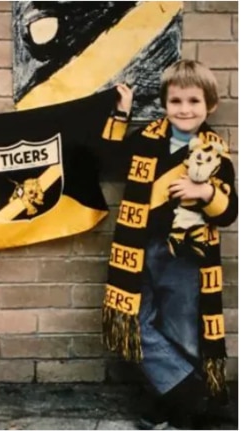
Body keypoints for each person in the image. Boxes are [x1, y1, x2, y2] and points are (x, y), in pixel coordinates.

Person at [101, 60, 238, 429]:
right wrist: (122, 114)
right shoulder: (147, 141)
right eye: (176, 101)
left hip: (186, 255)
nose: (184, 109)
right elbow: (109, 160)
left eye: (194, 101)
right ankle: (188, 397)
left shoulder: (216, 153)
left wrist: (205, 190)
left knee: (182, 329)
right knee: (132, 322)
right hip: (137, 248)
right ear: (164, 104)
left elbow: (228, 213)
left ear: (209, 106)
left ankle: (176, 404)